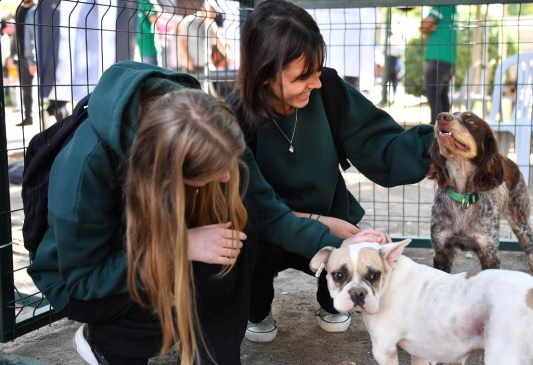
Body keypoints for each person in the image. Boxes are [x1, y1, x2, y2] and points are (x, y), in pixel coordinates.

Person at [27, 61, 387, 365]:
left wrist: (345, 248)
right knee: (194, 267)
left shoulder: (208, 122)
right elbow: (84, 280)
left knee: (238, 226)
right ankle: (108, 344)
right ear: (167, 171)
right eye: (212, 172)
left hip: (154, 241)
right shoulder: (86, 167)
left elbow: (268, 210)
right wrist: (179, 245)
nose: (228, 176)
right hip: (86, 281)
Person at [226, 0, 434, 343]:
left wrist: (432, 151)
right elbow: (258, 209)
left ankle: (331, 300)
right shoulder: (233, 119)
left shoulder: (330, 90)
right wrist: (321, 224)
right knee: (247, 240)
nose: (316, 83)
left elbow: (378, 142)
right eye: (301, 76)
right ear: (265, 75)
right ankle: (256, 307)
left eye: (317, 71)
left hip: (331, 217)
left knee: (344, 283)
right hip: (268, 228)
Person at [420, 5, 458, 125]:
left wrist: (430, 27)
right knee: (442, 96)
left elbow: (424, 26)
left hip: (438, 58)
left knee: (434, 96)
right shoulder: (452, 8)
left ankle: (435, 129)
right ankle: (445, 128)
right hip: (449, 59)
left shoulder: (442, 4)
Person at [14, 0, 37, 126]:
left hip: (35, 57)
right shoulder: (20, 10)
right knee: (26, 89)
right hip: (22, 56)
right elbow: (17, 35)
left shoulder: (36, 11)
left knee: (47, 88)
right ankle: (28, 116)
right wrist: (13, 54)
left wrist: (32, 59)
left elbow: (33, 36)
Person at [137, 0, 160, 65]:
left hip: (144, 45)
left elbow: (153, 19)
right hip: (145, 45)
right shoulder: (146, 2)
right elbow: (154, 19)